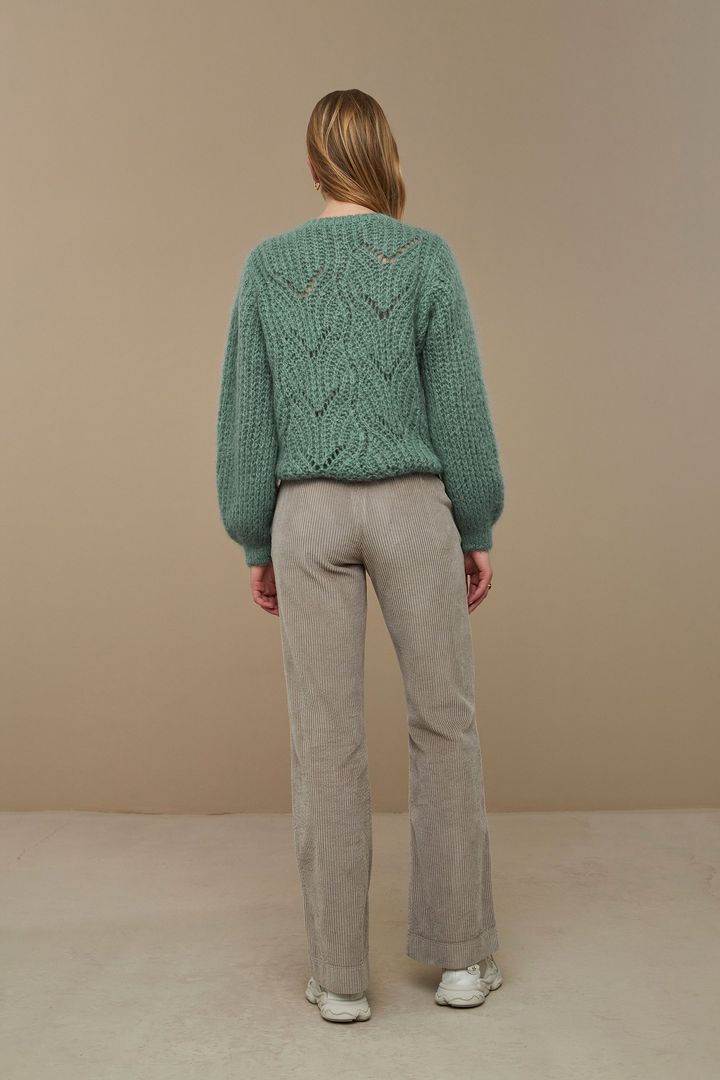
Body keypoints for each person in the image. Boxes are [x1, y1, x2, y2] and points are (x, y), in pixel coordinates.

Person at [215, 88, 505, 1023]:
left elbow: (247, 416)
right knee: (444, 726)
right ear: (385, 156)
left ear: (313, 165)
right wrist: (476, 526)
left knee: (325, 746)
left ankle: (340, 978)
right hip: (412, 508)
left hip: (307, 515)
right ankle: (461, 962)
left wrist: (254, 533)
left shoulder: (268, 265)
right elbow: (459, 407)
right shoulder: (426, 258)